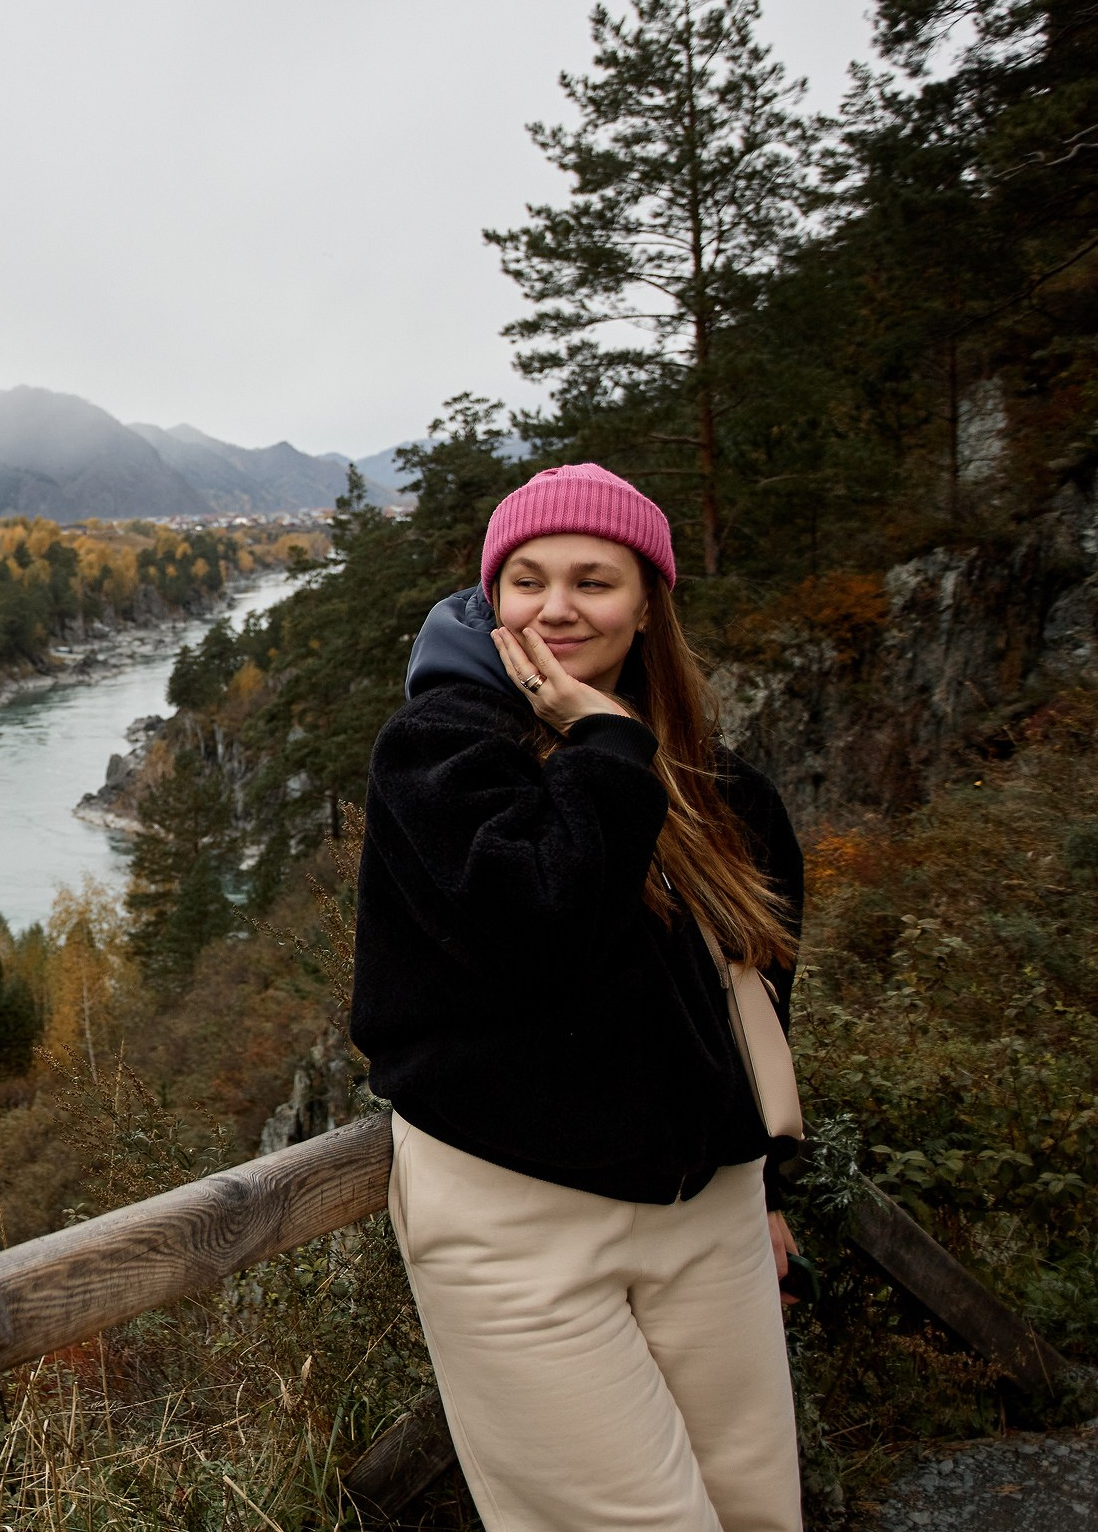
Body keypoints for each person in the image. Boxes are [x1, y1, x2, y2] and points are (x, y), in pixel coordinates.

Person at [350, 463, 807, 1532]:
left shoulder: (722, 788)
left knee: (754, 1507)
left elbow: (759, 997)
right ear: (489, 597)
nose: (555, 607)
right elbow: (534, 926)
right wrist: (603, 745)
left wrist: (771, 1184)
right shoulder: (440, 756)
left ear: (648, 602)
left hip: (713, 1212)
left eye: (593, 579)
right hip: (519, 1222)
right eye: (524, 578)